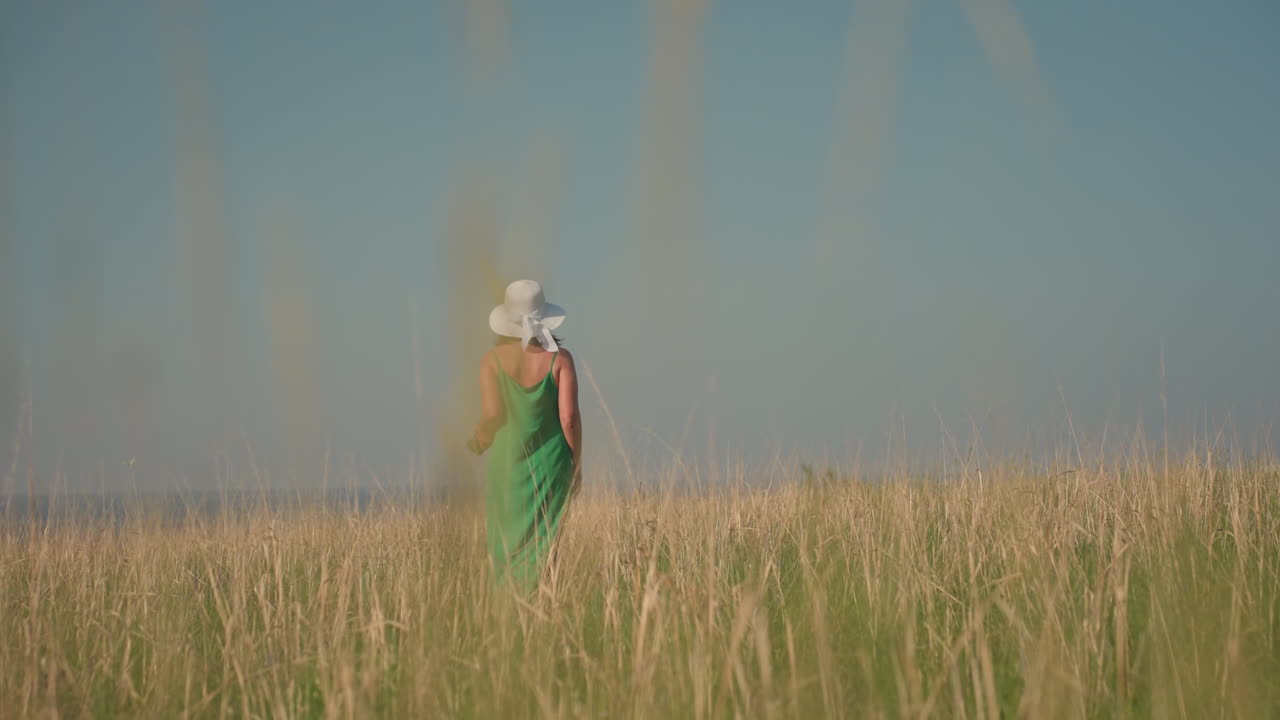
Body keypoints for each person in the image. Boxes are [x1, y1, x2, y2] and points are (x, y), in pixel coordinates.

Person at [468, 279, 582, 588]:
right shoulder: (561, 359)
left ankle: (508, 615)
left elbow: (492, 416)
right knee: (546, 543)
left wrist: (477, 441)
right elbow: (569, 418)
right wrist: (576, 462)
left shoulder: (491, 361)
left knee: (505, 543)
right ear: (544, 317)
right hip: (551, 465)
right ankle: (544, 609)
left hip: (506, 464)